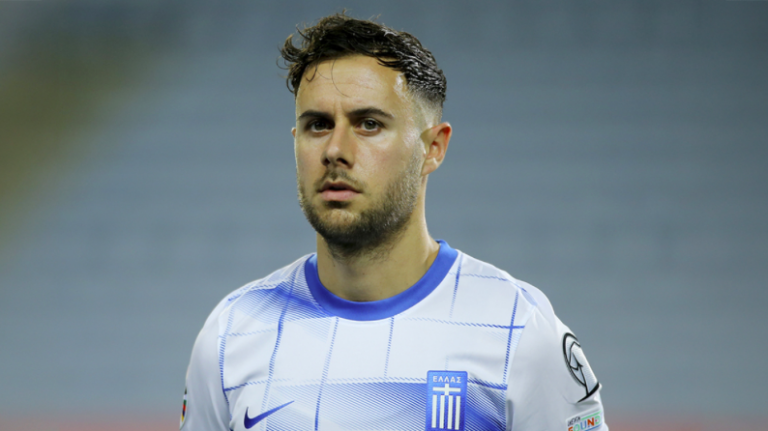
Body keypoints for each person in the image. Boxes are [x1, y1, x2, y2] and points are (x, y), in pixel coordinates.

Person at [181, 13, 607, 431]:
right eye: (318, 125)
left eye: (369, 124)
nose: (335, 150)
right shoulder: (231, 335)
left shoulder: (519, 331)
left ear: (433, 148)